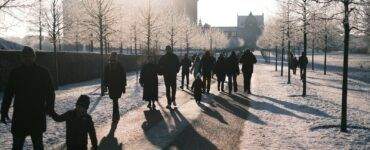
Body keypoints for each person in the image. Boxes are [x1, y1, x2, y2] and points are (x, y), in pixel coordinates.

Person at [1, 46, 55, 150]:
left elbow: (50, 92)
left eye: (29, 56)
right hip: (24, 115)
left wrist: (50, 107)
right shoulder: (17, 73)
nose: (27, 59)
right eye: (25, 57)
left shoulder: (41, 72)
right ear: (22, 58)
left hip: (34, 114)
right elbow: (8, 93)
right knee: (19, 145)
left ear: (34, 57)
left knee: (36, 144)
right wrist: (4, 111)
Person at [103, 52, 127, 122]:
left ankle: (115, 115)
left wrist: (123, 86)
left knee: (115, 100)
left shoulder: (118, 66)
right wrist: (105, 85)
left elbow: (123, 76)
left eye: (115, 56)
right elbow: (106, 77)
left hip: (115, 86)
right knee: (115, 100)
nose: (114, 58)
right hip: (114, 86)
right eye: (114, 56)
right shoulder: (110, 66)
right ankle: (116, 115)